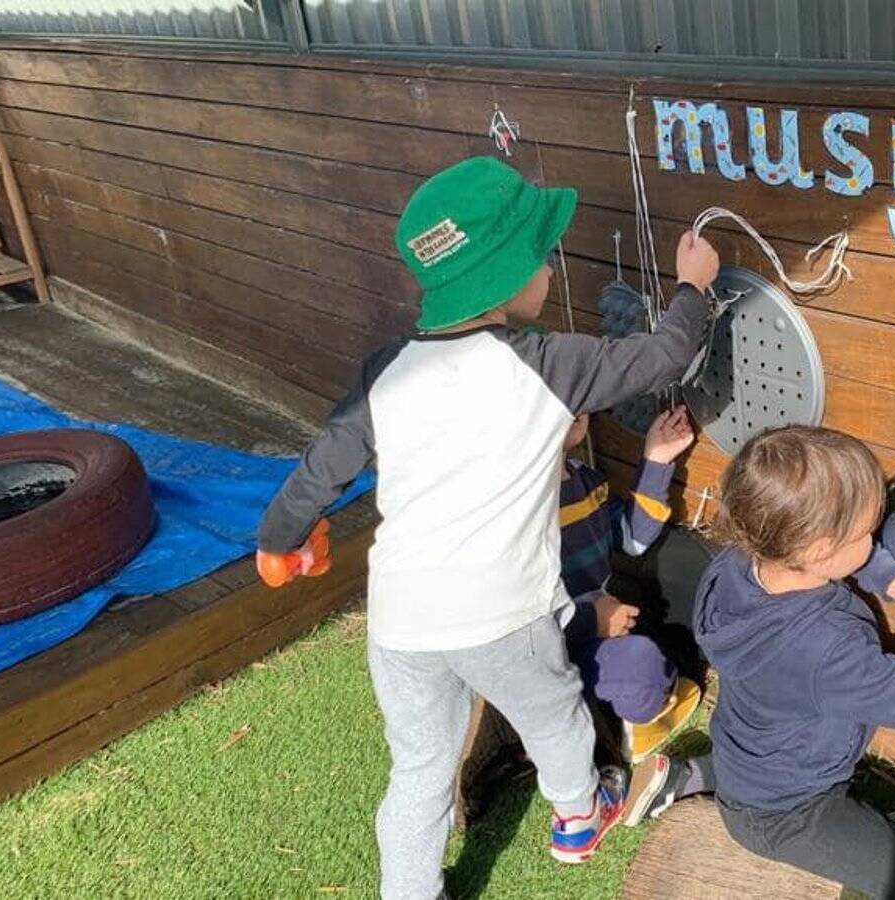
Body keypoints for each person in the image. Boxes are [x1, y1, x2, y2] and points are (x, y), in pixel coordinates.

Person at [252, 156, 719, 899]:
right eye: (541, 255)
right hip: (501, 613)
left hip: (401, 620)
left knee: (419, 768)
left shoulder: (387, 370)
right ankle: (579, 815)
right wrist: (693, 284)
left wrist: (281, 538)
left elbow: (321, 466)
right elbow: (665, 355)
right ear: (504, 274)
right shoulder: (547, 365)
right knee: (554, 712)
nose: (550, 269)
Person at [642, 425, 895, 899]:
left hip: (753, 752)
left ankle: (700, 777)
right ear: (819, 549)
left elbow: (831, 557)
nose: (875, 537)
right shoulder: (821, 648)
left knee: (763, 772)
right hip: (785, 812)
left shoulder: (736, 564)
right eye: (867, 532)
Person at [556, 406, 703, 763]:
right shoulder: (515, 508)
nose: (573, 406)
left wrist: (656, 459)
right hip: (546, 653)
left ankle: (617, 709)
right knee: (645, 664)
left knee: (647, 657)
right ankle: (626, 721)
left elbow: (633, 539)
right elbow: (517, 616)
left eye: (578, 394)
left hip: (595, 640)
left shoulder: (585, 481)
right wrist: (591, 620)